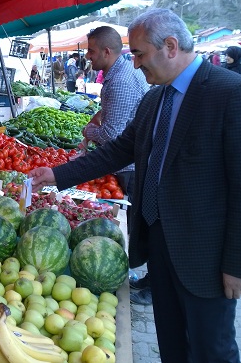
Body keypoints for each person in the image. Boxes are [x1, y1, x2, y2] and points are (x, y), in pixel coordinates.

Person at [29, 8, 241, 362]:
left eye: (140, 53)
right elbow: (117, 151)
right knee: (171, 343)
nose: (135, 62)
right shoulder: (153, 99)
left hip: (205, 255)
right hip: (158, 243)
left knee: (212, 349)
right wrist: (57, 175)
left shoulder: (233, 93)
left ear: (170, 46)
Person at [82, 26, 151, 303]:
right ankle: (144, 276)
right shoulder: (120, 74)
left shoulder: (120, 81)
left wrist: (88, 131)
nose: (88, 56)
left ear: (107, 51)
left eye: (91, 51)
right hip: (132, 162)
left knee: (132, 223)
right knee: (135, 222)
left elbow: (112, 135)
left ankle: (138, 278)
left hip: (129, 166)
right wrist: (100, 114)